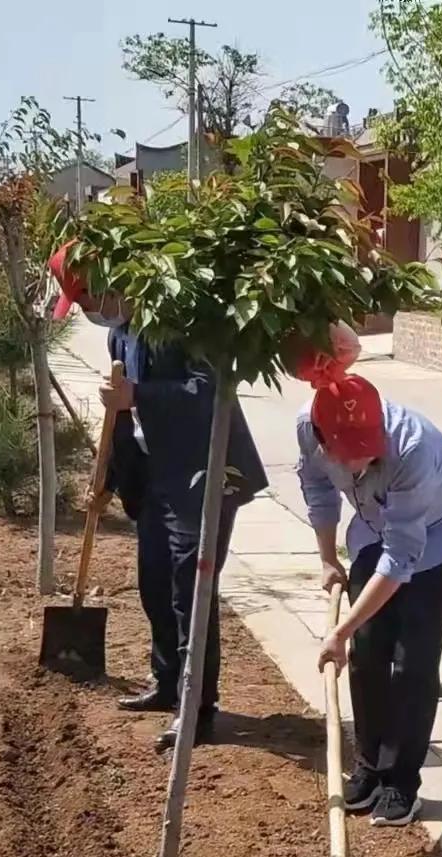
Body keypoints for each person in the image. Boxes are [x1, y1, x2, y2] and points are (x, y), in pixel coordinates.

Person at [49, 246, 269, 751]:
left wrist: (139, 397)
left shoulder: (179, 323)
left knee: (191, 592)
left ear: (110, 282)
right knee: (153, 583)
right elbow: (119, 418)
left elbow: (208, 393)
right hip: (153, 476)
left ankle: (198, 711)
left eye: (85, 299)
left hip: (204, 473)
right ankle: (168, 682)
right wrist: (106, 475)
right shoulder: (118, 333)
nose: (85, 311)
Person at [294, 363, 442, 827]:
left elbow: (401, 559)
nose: (360, 463)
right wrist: (326, 559)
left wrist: (340, 629)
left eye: (368, 451)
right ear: (322, 440)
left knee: (412, 659)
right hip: (373, 526)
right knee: (367, 652)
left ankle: (402, 782)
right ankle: (369, 768)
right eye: (348, 454)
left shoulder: (411, 450)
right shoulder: (307, 425)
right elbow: (318, 489)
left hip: (440, 530)